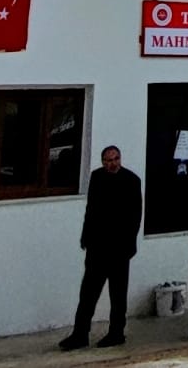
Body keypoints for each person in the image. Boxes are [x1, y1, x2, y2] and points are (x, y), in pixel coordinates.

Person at [59, 145, 144, 350]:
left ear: (120, 159)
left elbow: (135, 217)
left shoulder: (131, 181)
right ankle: (80, 334)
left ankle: (116, 333)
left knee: (117, 294)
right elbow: (91, 210)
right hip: (97, 247)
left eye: (114, 160)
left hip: (119, 249)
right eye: (107, 160)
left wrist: (128, 246)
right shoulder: (97, 178)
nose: (111, 164)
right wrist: (85, 237)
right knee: (88, 293)